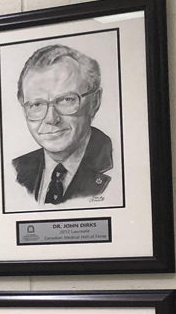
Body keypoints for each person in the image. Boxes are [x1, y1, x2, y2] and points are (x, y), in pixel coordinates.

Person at [11, 44, 113, 205]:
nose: (51, 118)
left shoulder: (121, 164)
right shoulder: (16, 171)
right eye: (37, 104)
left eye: (66, 100)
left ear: (95, 102)